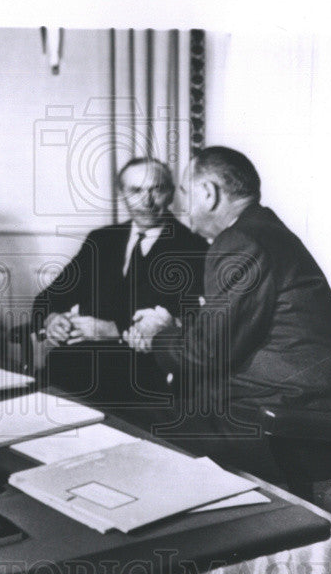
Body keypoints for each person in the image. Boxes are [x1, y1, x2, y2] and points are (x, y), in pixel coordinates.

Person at [125, 146, 331, 484]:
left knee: (123, 422)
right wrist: (173, 327)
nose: (181, 207)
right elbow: (229, 334)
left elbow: (204, 353)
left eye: (184, 194)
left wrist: (157, 335)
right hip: (291, 414)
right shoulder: (261, 231)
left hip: (289, 429)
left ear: (208, 193)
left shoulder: (241, 242)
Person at [32, 157, 207, 405]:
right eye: (135, 190)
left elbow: (191, 321)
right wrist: (52, 319)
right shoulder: (102, 240)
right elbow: (47, 299)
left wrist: (113, 330)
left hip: (145, 371)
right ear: (121, 194)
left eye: (156, 189)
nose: (146, 201)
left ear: (170, 194)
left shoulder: (194, 247)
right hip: (79, 364)